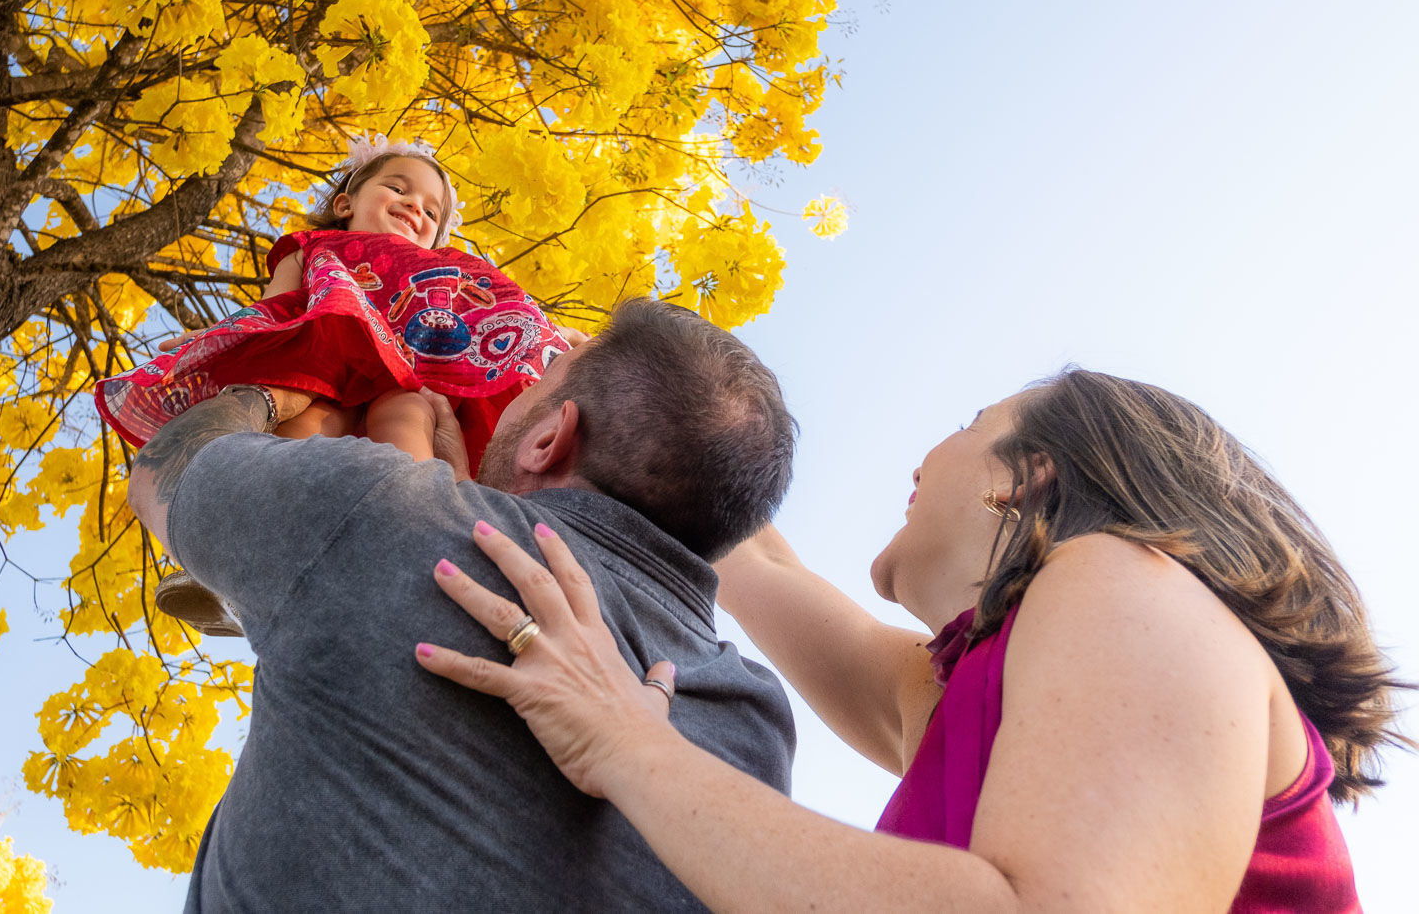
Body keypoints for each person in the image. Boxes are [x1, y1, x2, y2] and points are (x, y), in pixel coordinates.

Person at [418, 368, 1410, 911]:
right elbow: (754, 561)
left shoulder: (1130, 582)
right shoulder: (962, 687)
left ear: (1027, 473)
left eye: (971, 419)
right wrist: (602, 381)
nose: (920, 454)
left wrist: (624, 743)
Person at [125, 298, 800, 911]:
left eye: (536, 383)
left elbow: (164, 472)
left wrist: (289, 386)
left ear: (548, 439)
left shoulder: (386, 514)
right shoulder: (756, 722)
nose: (512, 399)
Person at [97, 134, 568, 633]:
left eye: (432, 212)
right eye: (397, 188)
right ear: (345, 203)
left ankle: (413, 532)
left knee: (407, 420)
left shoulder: (445, 271)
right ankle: (246, 559)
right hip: (327, 355)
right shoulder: (312, 246)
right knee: (305, 429)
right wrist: (216, 337)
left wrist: (557, 340)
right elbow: (270, 304)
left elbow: (500, 311)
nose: (415, 207)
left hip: (410, 370)